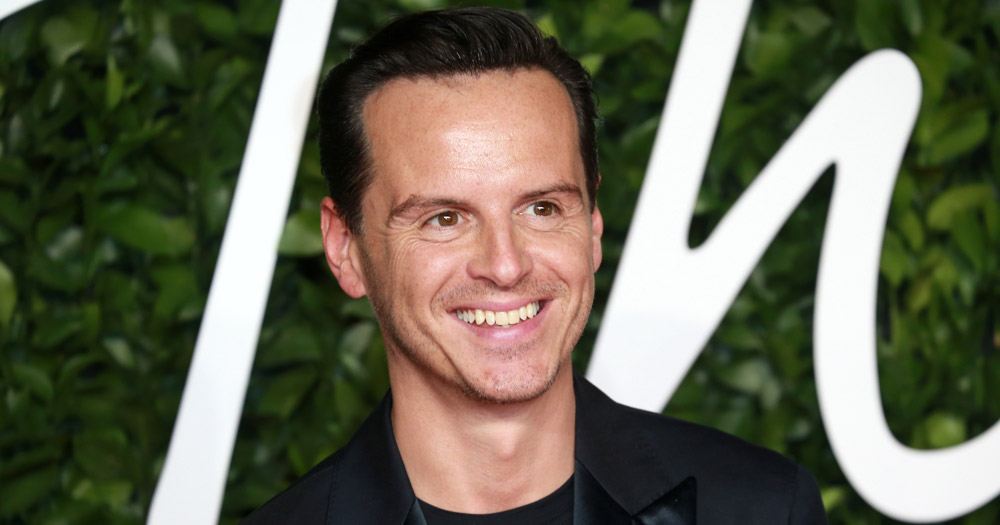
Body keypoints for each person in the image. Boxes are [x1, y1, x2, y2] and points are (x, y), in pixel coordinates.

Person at [245, 7, 827, 524]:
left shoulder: (766, 507)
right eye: (444, 219)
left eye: (542, 208)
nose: (505, 265)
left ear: (594, 225)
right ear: (345, 247)